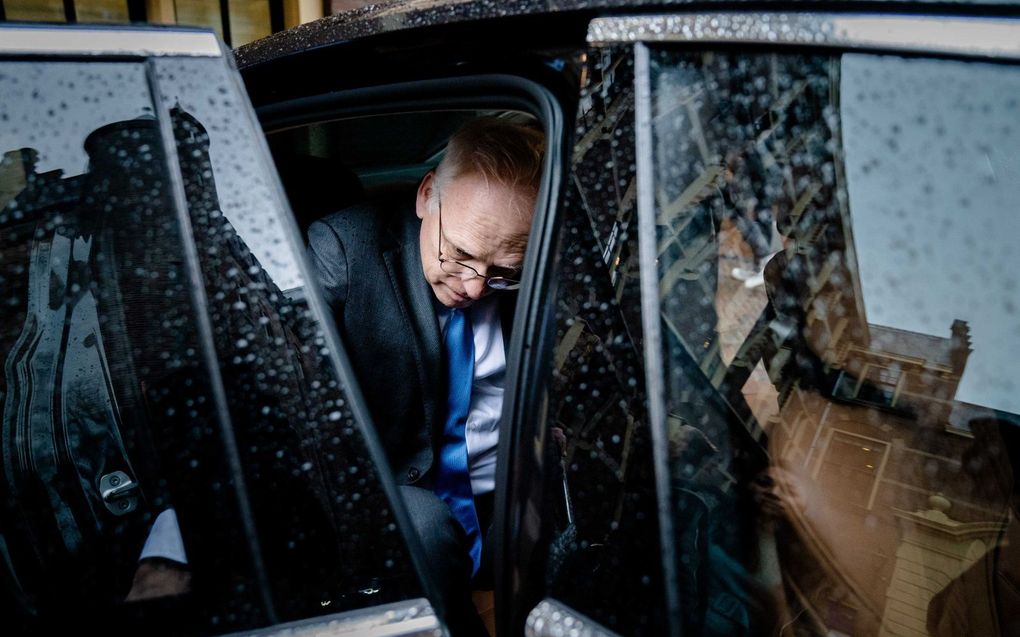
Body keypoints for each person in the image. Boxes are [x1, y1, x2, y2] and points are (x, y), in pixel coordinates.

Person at [307, 117, 545, 637]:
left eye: (504, 271)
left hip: (508, 489)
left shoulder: (543, 268)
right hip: (406, 498)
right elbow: (300, 409)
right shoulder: (344, 252)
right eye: (459, 255)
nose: (476, 288)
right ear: (425, 195)